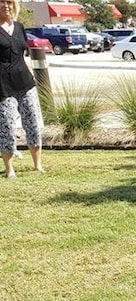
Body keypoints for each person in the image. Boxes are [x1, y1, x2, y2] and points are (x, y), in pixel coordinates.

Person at [1, 0, 45, 179]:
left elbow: (22, 54)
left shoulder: (19, 27)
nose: (5, 5)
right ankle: (10, 169)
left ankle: (38, 165)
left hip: (25, 83)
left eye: (9, 2)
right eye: (1, 2)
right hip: (3, 86)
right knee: (7, 126)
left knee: (33, 122)